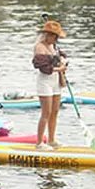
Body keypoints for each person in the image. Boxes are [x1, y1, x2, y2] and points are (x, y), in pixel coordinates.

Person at [32, 19, 67, 148]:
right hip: (45, 81)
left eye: (56, 37)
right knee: (46, 112)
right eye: (53, 36)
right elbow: (43, 68)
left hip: (55, 81)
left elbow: (61, 57)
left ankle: (52, 139)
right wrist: (59, 69)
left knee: (55, 111)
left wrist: (63, 62)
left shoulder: (54, 47)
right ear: (47, 35)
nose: (55, 39)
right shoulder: (39, 47)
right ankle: (39, 142)